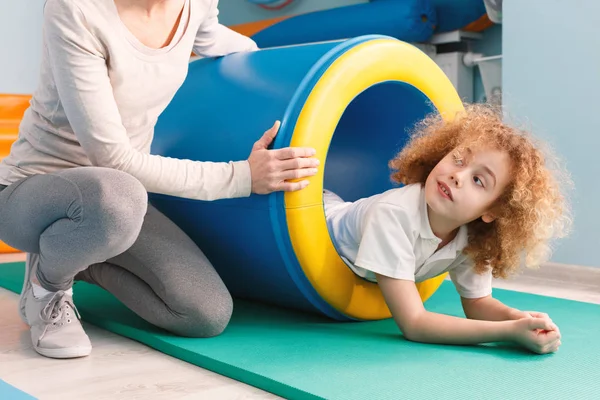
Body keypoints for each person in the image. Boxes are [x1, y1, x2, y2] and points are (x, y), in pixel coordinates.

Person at [0, 0, 319, 359]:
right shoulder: (76, 9)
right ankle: (47, 286)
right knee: (117, 195)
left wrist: (278, 72)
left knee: (203, 313)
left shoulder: (195, 4)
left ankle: (76, 253)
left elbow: (219, 40)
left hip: (122, 202)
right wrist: (242, 176)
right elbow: (113, 158)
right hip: (35, 192)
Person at [324, 104, 572, 355]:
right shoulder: (394, 214)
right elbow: (414, 324)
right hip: (312, 218)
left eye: (478, 180)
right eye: (458, 159)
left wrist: (519, 320)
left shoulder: (470, 237)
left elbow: (478, 303)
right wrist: (507, 332)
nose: (458, 175)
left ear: (492, 212)